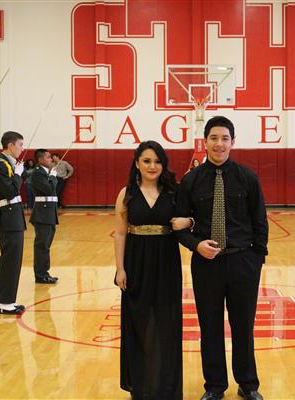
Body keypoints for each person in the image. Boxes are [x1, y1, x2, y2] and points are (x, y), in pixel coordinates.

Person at [174, 116, 268, 400]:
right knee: (210, 326)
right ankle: (214, 387)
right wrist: (196, 245)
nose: (219, 144)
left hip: (243, 262)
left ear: (232, 142)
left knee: (243, 326)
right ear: (205, 142)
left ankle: (248, 384)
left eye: (225, 138)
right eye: (214, 138)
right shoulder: (190, 181)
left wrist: (256, 260)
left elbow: (260, 221)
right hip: (206, 265)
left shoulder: (248, 178)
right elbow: (178, 226)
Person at [114, 141, 191, 399]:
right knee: (139, 323)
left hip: (167, 263)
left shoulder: (173, 192)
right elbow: (120, 233)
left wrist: (189, 221)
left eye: (157, 161)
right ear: (137, 163)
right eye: (147, 161)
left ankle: (166, 387)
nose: (152, 166)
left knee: (167, 324)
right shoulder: (126, 194)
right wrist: (120, 269)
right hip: (136, 264)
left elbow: (192, 219)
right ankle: (141, 386)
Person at [0, 131, 27, 315]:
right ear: (10, 145)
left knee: (14, 260)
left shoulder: (8, 164)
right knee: (10, 260)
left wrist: (17, 171)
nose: (22, 148)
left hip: (14, 215)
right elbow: (10, 191)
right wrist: (18, 175)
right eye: (20, 145)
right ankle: (3, 303)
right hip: (9, 216)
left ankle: (8, 301)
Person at [30, 149, 59, 284]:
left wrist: (51, 176)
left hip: (48, 213)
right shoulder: (37, 173)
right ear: (40, 159)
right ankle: (41, 275)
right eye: (48, 157)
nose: (51, 159)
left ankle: (44, 272)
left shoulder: (44, 172)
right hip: (42, 214)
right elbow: (48, 189)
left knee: (45, 245)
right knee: (42, 246)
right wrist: (53, 177)